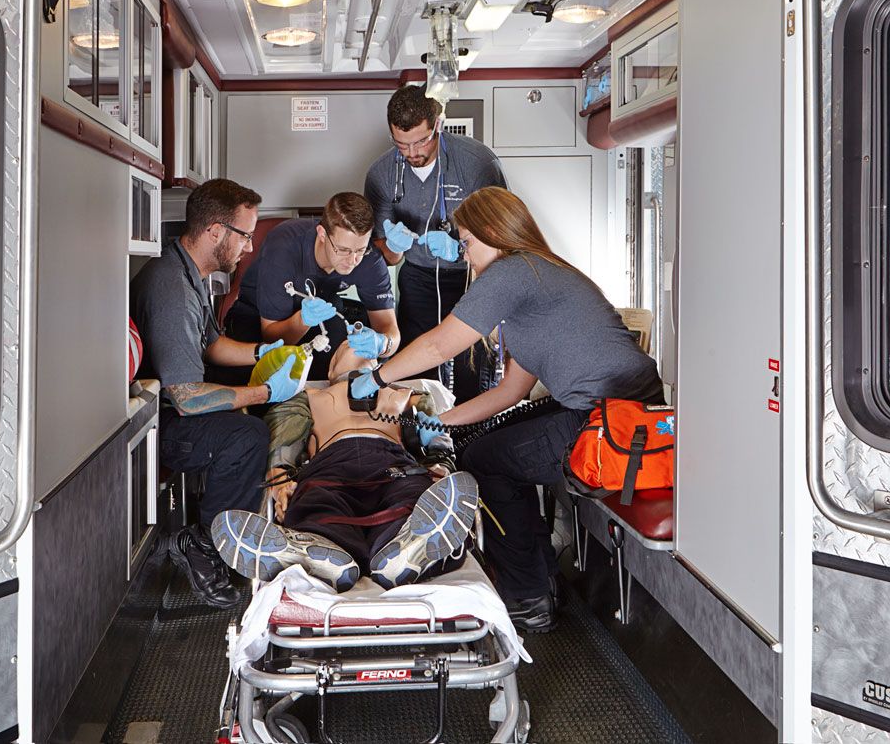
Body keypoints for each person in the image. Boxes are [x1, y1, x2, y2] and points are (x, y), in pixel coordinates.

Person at [363, 186, 662, 632]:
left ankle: (527, 597)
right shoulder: (537, 276)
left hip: (614, 422)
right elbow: (510, 392)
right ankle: (541, 580)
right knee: (479, 445)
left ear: (493, 232)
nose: (464, 255)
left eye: (467, 242)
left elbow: (441, 343)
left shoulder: (513, 271)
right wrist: (440, 423)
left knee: (486, 461)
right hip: (605, 409)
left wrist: (376, 378)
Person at [131, 178, 305, 609]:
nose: (249, 247)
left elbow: (212, 345)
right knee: (244, 438)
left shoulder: (191, 273)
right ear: (215, 232)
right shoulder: (171, 289)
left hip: (175, 410)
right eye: (244, 235)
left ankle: (233, 533)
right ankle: (203, 542)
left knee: (252, 418)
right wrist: (263, 392)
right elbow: (188, 397)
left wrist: (268, 351)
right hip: (159, 425)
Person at [209, 369, 477, 592]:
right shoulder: (307, 396)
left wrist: (440, 464)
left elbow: (438, 437)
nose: (355, 341)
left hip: (394, 466)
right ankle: (320, 547)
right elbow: (283, 441)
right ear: (331, 369)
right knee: (318, 507)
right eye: (346, 344)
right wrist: (280, 481)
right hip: (330, 467)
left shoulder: (408, 395)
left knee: (413, 499)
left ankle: (400, 545)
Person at [364, 85, 506, 401]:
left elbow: (504, 244)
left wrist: (459, 249)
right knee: (416, 367)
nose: (412, 153)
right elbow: (384, 256)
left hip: (473, 280)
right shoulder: (381, 175)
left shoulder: (478, 165)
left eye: (421, 141)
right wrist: (395, 247)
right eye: (401, 145)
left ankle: (471, 437)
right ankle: (425, 442)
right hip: (417, 278)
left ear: (437, 125)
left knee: (471, 366)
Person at [223, 191, 400, 380]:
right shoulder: (283, 247)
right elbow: (271, 338)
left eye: (360, 250)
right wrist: (302, 320)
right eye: (343, 250)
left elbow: (390, 329)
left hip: (317, 310)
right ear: (322, 234)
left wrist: (383, 344)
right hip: (257, 317)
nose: (352, 260)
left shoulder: (369, 259)